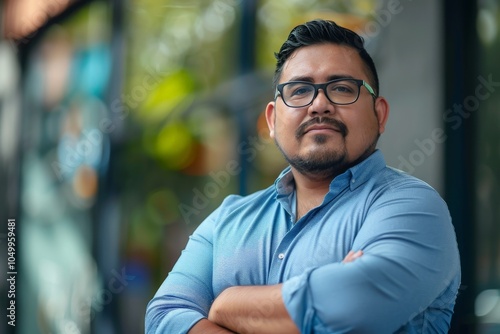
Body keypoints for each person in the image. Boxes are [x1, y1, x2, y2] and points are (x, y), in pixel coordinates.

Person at [145, 19, 461, 333]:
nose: (319, 105)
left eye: (341, 88)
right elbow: (164, 317)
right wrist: (315, 300)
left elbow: (353, 310)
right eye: (299, 90)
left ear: (379, 115)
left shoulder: (413, 208)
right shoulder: (226, 220)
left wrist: (227, 304)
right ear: (272, 120)